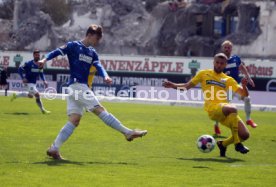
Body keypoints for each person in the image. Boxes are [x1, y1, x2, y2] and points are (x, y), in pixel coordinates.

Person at [38, 24, 147, 160]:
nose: (97, 41)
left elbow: (98, 66)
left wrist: (105, 75)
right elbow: (56, 51)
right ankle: (127, 132)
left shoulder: (92, 52)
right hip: (77, 86)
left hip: (77, 88)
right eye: (97, 38)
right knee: (99, 109)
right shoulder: (73, 46)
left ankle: (54, 148)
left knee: (74, 120)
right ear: (89, 35)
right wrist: (44, 59)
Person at [163, 53, 250, 157]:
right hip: (213, 109)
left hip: (225, 110)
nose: (219, 65)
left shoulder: (228, 79)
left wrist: (244, 85)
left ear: (225, 65)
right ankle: (237, 143)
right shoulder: (203, 74)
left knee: (245, 135)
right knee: (233, 108)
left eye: (221, 63)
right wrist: (173, 85)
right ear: (213, 62)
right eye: (217, 62)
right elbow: (186, 86)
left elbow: (244, 94)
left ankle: (223, 144)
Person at [214, 40, 257, 136]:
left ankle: (248, 119)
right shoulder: (220, 61)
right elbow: (215, 74)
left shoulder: (236, 58)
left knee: (247, 98)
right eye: (225, 47)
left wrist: (248, 78)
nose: (227, 49)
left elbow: (242, 67)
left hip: (236, 86)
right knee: (223, 108)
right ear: (222, 48)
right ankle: (216, 125)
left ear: (231, 49)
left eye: (229, 47)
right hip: (226, 88)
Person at [10, 50, 50, 114]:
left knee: (30, 96)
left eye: (38, 55)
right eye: (36, 55)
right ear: (33, 55)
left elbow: (41, 73)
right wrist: (23, 78)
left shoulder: (40, 64)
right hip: (28, 83)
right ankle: (43, 110)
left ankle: (16, 95)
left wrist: (44, 80)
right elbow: (20, 69)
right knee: (37, 95)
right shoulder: (28, 63)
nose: (38, 56)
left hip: (33, 83)